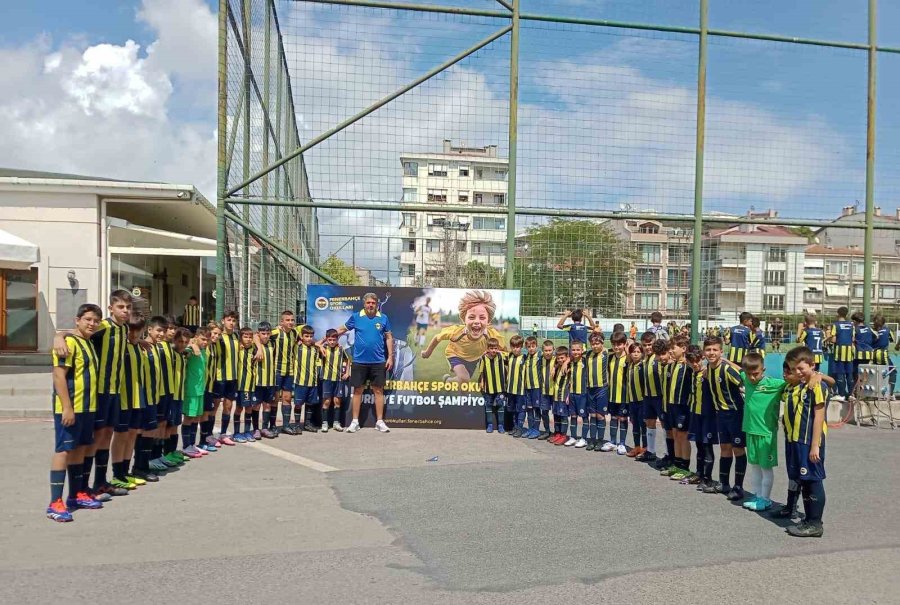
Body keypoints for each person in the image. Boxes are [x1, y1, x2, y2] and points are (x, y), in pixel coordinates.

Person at [52, 290, 134, 501]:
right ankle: (82, 487)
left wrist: (138, 343)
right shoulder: (102, 327)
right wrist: (58, 335)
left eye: (128, 307)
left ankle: (100, 482)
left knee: (106, 434)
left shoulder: (124, 329)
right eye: (120, 307)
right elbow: (75, 334)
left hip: (115, 390)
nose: (125, 311)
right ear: (111, 308)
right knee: (93, 439)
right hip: (98, 392)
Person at [47, 303, 104, 522]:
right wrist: (67, 407)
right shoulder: (68, 343)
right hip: (70, 408)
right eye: (88, 319)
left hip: (88, 407)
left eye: (96, 320)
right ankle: (54, 502)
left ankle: (75, 494)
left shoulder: (88, 343)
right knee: (64, 451)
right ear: (77, 320)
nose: (92, 323)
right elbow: (59, 376)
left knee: (80, 448)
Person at [784, 347, 830, 538]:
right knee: (804, 480)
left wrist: (814, 445)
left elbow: (819, 417)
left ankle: (815, 523)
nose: (798, 372)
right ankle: (808, 518)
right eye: (794, 369)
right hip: (795, 441)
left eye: (801, 368)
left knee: (813, 480)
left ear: (812, 365)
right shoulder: (798, 386)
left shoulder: (816, 386)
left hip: (808, 442)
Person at [334, 292, 394, 433]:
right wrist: (325, 338)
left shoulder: (383, 318)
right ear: (364, 304)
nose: (371, 305)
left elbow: (389, 338)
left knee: (378, 391)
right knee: (358, 391)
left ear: (377, 304)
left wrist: (390, 356)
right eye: (368, 302)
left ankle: (379, 421)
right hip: (359, 361)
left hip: (378, 361)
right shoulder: (356, 317)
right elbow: (341, 330)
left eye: (373, 303)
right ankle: (355, 422)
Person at [422, 290, 502, 383]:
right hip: (455, 354)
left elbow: (503, 349)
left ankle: (448, 381)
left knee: (464, 385)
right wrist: (427, 352)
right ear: (464, 319)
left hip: (474, 359)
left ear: (488, 321)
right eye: (471, 317)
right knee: (465, 378)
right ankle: (453, 376)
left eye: (482, 317)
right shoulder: (456, 332)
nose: (476, 321)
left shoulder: (492, 335)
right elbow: (437, 337)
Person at [701, 336, 746, 500]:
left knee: (738, 449)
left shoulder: (727, 369)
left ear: (721, 351)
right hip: (720, 414)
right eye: (708, 350)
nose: (711, 353)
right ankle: (724, 483)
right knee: (725, 449)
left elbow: (745, 380)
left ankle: (739, 487)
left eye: (715, 350)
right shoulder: (708, 369)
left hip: (735, 414)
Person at [662, 335, 693, 482]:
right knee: (675, 435)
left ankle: (685, 468)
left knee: (683, 436)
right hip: (671, 405)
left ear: (684, 349)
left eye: (673, 348)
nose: (671, 351)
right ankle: (677, 463)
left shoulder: (688, 366)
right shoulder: (671, 365)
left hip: (683, 407)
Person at [687, 345, 717, 490]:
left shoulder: (708, 372)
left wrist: (709, 368)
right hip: (695, 413)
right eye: (692, 361)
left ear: (702, 359)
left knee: (707, 446)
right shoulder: (693, 372)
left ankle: (708, 478)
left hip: (708, 415)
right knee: (698, 445)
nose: (695, 364)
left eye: (698, 360)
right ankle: (699, 473)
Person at [269, 310, 301, 435]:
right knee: (275, 398)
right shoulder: (275, 333)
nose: (290, 322)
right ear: (281, 322)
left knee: (287, 398)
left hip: (290, 371)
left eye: (292, 320)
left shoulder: (295, 333)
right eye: (287, 320)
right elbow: (258, 335)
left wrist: (319, 345)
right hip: (276, 370)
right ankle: (272, 426)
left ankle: (286, 425)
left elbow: (307, 335)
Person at [212, 310, 240, 446]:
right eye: (229, 320)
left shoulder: (236, 336)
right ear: (223, 321)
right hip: (219, 376)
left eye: (234, 320)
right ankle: (209, 434)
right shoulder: (218, 336)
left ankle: (223, 433)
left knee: (228, 406)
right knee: (215, 406)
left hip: (233, 377)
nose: (231, 323)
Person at [285, 325, 320, 435]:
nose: (309, 338)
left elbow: (317, 363)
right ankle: (296, 424)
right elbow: (294, 330)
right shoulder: (297, 347)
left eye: (311, 336)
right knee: (299, 404)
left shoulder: (315, 349)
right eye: (306, 336)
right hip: (300, 381)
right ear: (302, 337)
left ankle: (307, 423)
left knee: (310, 403)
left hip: (312, 381)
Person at [180, 327, 209, 457]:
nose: (205, 342)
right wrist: (191, 345)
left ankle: (192, 444)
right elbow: (184, 352)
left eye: (207, 340)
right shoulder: (191, 350)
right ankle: (186, 446)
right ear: (196, 337)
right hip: (191, 390)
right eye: (203, 339)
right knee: (188, 417)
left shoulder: (203, 350)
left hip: (200, 390)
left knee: (196, 417)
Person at [639, 333, 666, 465]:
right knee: (649, 422)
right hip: (648, 396)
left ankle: (668, 454)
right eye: (645, 345)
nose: (648, 347)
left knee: (665, 425)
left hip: (660, 396)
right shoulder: (645, 358)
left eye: (650, 344)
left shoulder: (659, 358)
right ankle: (651, 451)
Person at [600, 332, 629, 454]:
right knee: (613, 418)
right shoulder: (610, 357)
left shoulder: (628, 358)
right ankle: (612, 441)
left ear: (624, 344)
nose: (616, 347)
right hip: (612, 394)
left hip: (624, 395)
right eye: (614, 344)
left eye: (619, 344)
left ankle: (622, 443)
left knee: (622, 418)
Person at [318, 328, 350, 432]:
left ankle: (336, 423)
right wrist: (320, 344)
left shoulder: (341, 349)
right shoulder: (323, 348)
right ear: (327, 339)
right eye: (330, 339)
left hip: (338, 379)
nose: (332, 342)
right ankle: (324, 423)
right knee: (326, 401)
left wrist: (347, 372)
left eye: (334, 340)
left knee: (337, 401)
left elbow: (348, 360)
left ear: (337, 340)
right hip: (327, 379)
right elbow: (315, 344)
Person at [199, 322, 222, 450]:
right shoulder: (204, 345)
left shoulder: (216, 345)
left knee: (210, 412)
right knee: (203, 413)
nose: (216, 336)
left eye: (218, 334)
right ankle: (202, 441)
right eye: (214, 333)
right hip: (204, 384)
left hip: (213, 383)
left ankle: (208, 437)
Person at [585, 333, 608, 451]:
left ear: (602, 343)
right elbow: (574, 356)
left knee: (600, 415)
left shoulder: (607, 353)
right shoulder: (588, 354)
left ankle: (600, 440)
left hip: (602, 389)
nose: (595, 346)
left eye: (597, 343)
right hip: (590, 389)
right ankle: (592, 439)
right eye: (592, 344)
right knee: (592, 415)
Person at [254, 322, 277, 439]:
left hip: (270, 381)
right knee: (256, 406)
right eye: (263, 333)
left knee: (267, 405)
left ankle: (264, 428)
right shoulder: (254, 344)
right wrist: (258, 347)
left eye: (268, 333)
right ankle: (255, 429)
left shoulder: (273, 343)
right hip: (258, 381)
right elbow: (253, 336)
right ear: (258, 334)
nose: (266, 336)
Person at [479, 337, 507, 433]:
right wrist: (482, 382)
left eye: (495, 348)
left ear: (498, 348)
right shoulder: (483, 358)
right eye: (491, 348)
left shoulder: (501, 356)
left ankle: (501, 425)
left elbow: (510, 355)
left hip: (500, 388)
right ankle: (490, 425)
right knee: (489, 406)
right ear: (487, 349)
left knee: (500, 406)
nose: (493, 350)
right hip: (488, 388)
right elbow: (481, 372)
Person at [828, 306, 855, 399]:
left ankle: (841, 394)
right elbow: (853, 339)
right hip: (849, 352)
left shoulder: (835, 325)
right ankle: (851, 394)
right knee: (849, 373)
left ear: (838, 314)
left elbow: (834, 340)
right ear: (846, 314)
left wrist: (829, 338)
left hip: (839, 352)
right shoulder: (851, 325)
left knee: (840, 373)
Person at [505, 335, 528, 437]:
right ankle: (515, 427)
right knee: (513, 409)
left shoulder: (525, 358)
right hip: (510, 389)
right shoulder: (509, 356)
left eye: (518, 347)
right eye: (513, 347)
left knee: (521, 409)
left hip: (521, 389)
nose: (515, 349)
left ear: (521, 347)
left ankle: (520, 428)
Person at [566, 340, 589, 447]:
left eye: (578, 350)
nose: (575, 352)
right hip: (572, 393)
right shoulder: (570, 362)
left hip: (583, 393)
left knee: (584, 416)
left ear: (582, 350)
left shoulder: (585, 360)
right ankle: (573, 437)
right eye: (573, 350)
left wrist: (583, 351)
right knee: (573, 416)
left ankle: (584, 438)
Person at [625, 342, 646, 458]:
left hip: (642, 400)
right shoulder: (630, 365)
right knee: (635, 425)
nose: (636, 354)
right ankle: (637, 446)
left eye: (638, 352)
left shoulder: (643, 365)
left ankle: (645, 447)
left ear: (642, 354)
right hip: (632, 400)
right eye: (633, 352)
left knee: (643, 425)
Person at [522, 335, 543, 439]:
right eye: (529, 347)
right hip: (528, 388)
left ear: (536, 346)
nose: (531, 348)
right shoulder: (526, 357)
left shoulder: (540, 355)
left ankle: (536, 430)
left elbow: (553, 356)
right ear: (526, 348)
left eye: (533, 346)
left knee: (536, 408)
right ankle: (530, 429)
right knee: (529, 409)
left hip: (537, 388)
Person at [550, 346, 571, 445]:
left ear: (567, 357)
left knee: (563, 416)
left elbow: (571, 383)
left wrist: (568, 395)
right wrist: (554, 367)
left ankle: (564, 435)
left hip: (563, 396)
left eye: (562, 358)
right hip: (556, 396)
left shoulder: (568, 367)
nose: (560, 360)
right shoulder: (557, 367)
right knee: (556, 415)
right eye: (558, 358)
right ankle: (557, 433)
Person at [851, 311, 874, 386]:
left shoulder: (855, 329)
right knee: (865, 372)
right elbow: (877, 337)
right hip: (869, 353)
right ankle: (864, 390)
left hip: (859, 354)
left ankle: (857, 391)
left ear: (855, 321)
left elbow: (852, 339)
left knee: (855, 373)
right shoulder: (869, 328)